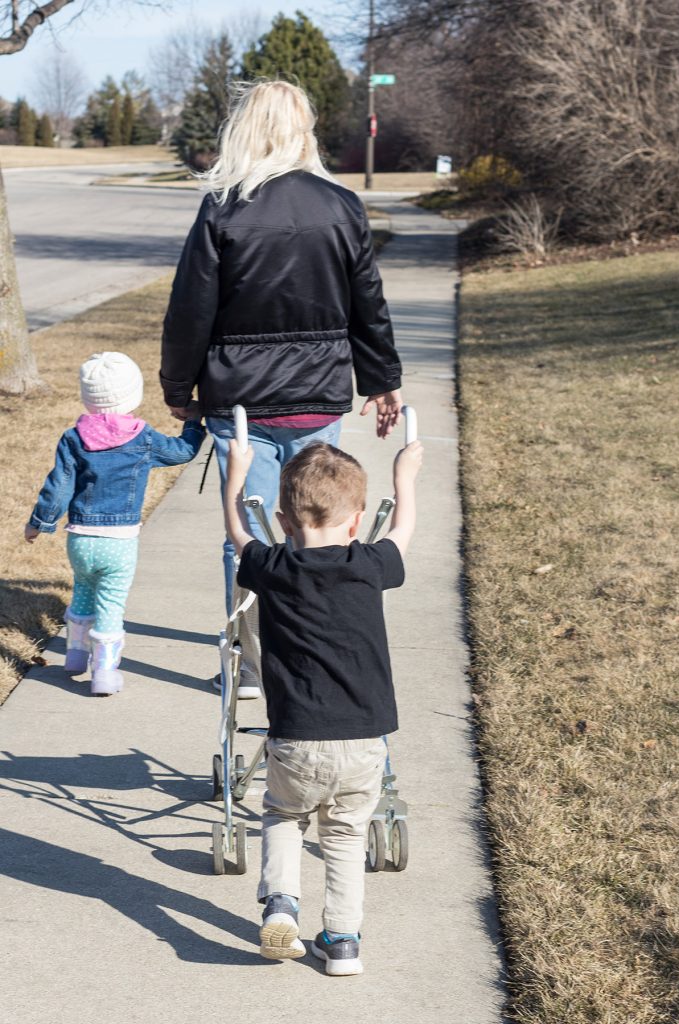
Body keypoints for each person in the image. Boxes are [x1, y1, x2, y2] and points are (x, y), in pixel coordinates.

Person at [160, 80, 403, 697]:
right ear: (304, 130)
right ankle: (304, 648)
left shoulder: (223, 206)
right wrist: (380, 381)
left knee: (247, 528)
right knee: (312, 524)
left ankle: (248, 662)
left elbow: (190, 308)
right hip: (316, 397)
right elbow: (366, 302)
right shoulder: (341, 204)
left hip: (238, 399)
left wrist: (176, 385)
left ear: (243, 129)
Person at [225, 436, 423, 976]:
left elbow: (238, 534)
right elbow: (402, 534)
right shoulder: (370, 563)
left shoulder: (271, 566)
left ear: (285, 521)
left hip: (294, 736)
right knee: (344, 835)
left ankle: (282, 904)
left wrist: (236, 477)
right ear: (357, 521)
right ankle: (341, 944)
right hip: (364, 740)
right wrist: (405, 475)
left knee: (284, 815)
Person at [25, 352, 205, 696]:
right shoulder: (143, 438)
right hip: (119, 541)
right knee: (111, 603)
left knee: (83, 589)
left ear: (86, 396)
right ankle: (104, 673)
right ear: (133, 395)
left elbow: (58, 485)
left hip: (80, 538)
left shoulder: (73, 438)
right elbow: (182, 452)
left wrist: (40, 523)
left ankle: (75, 657)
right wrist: (194, 423)